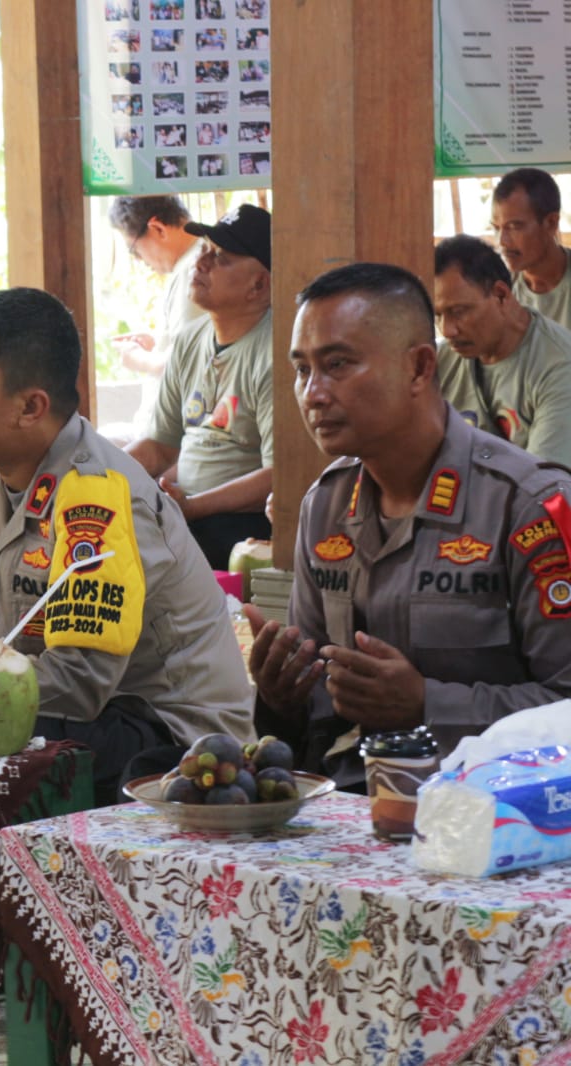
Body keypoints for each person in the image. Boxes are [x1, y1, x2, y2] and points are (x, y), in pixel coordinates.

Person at [0, 288, 252, 806]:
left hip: (164, 741)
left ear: (30, 407)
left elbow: (77, 681)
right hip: (44, 715)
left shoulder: (103, 494)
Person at [246, 262, 571, 790]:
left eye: (338, 364)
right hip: (355, 807)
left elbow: (567, 705)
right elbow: (315, 726)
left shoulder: (528, 506)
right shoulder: (325, 506)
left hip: (500, 816)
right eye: (302, 369)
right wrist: (282, 698)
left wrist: (427, 703)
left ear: (420, 367)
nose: (313, 393)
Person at [127, 203, 274, 571]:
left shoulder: (277, 351)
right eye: (205, 250)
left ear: (259, 285)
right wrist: (98, 474)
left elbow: (280, 475)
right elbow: (160, 446)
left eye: (221, 257)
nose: (202, 262)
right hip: (186, 515)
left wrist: (190, 507)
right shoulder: (192, 339)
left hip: (243, 530)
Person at [433, 235, 571, 467]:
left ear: (501, 295)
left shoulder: (560, 367)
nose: (447, 330)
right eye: (438, 315)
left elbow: (542, 488)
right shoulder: (437, 361)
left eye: (459, 311)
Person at [106, 195, 207, 433]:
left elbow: (187, 363)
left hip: (173, 434)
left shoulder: (194, 271)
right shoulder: (195, 261)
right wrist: (158, 344)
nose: (140, 261)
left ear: (158, 229)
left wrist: (137, 358)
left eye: (135, 251)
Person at [492, 167, 571, 330]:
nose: (502, 241)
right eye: (496, 228)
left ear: (551, 223)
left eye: (514, 227)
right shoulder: (498, 291)